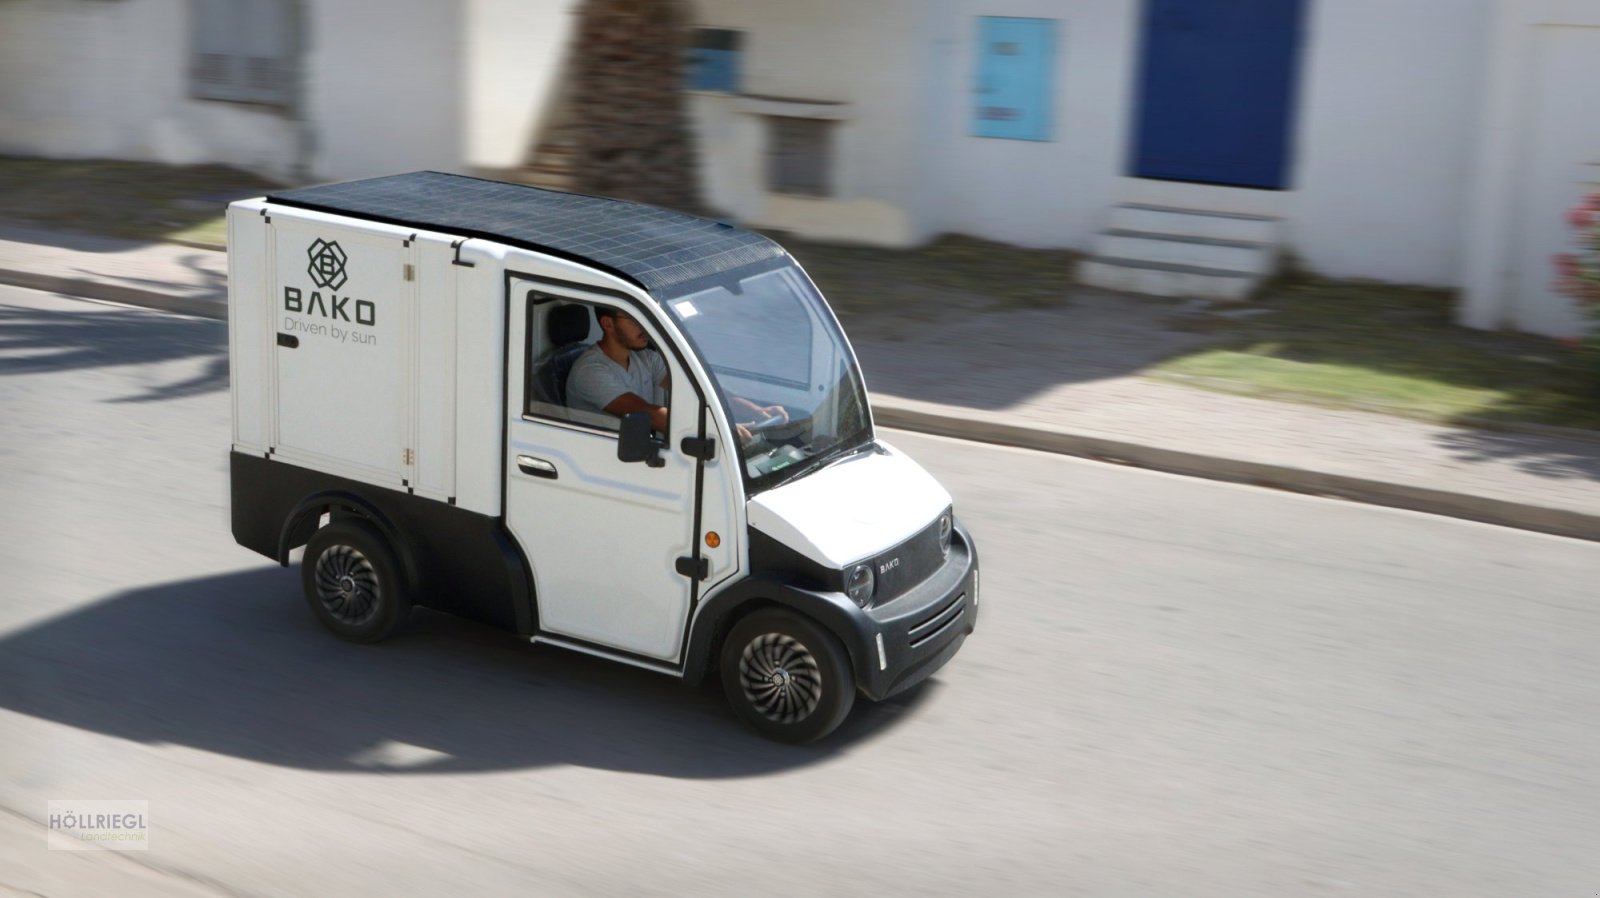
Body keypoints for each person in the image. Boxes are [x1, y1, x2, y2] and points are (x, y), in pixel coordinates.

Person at [567, 306, 788, 441]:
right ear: (608, 323)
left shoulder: (645, 357)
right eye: (634, 320)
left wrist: (757, 410)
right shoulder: (590, 371)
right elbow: (647, 413)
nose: (644, 326)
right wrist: (717, 431)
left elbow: (696, 389)